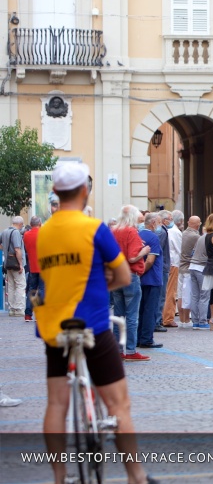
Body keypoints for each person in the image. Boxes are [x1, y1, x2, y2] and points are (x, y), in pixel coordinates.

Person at [35, 161, 153, 484]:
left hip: (55, 329)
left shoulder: (44, 232)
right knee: (118, 404)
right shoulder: (94, 228)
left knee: (56, 403)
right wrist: (104, 283)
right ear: (85, 190)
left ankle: (59, 476)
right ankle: (136, 475)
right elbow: (125, 274)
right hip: (93, 325)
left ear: (56, 192)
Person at [111, 206, 152, 361]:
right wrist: (145, 250)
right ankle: (130, 350)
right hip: (130, 275)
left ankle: (118, 349)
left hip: (116, 275)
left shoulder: (114, 230)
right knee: (132, 316)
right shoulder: (131, 231)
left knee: (118, 315)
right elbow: (132, 257)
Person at [138, 213, 164, 348]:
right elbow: (150, 260)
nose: (160, 225)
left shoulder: (138, 234)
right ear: (153, 222)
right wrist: (141, 272)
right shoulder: (153, 237)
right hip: (152, 278)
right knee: (150, 309)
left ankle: (138, 337)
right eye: (159, 222)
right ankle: (147, 338)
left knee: (140, 309)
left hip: (140, 280)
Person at [178, 216, 202, 326]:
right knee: (188, 295)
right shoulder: (196, 236)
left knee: (180, 295)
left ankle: (182, 319)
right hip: (188, 268)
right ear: (198, 225)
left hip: (180, 267)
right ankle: (186, 320)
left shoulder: (183, 233)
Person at [161, 210, 184, 328]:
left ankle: (163, 316)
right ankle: (168, 317)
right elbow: (180, 250)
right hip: (173, 263)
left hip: (166, 263)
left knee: (165, 291)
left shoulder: (166, 230)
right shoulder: (175, 232)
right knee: (171, 292)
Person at [1, 216, 27, 317]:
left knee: (11, 286)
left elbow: (1, 245)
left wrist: (6, 251)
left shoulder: (4, 231)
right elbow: (17, 249)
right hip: (16, 263)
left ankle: (11, 309)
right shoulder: (16, 233)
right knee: (20, 285)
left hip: (8, 263)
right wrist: (21, 264)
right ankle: (19, 309)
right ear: (20, 224)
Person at [23, 216, 45, 322]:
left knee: (31, 290)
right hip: (43, 266)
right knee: (41, 290)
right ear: (40, 223)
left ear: (31, 224)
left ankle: (28, 314)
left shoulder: (26, 235)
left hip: (32, 266)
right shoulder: (43, 233)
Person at [154, 210, 173, 331]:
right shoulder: (162, 232)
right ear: (164, 220)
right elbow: (158, 250)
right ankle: (157, 322)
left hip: (162, 266)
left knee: (160, 295)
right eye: (170, 219)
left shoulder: (161, 231)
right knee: (160, 296)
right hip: (162, 267)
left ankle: (156, 321)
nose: (171, 222)